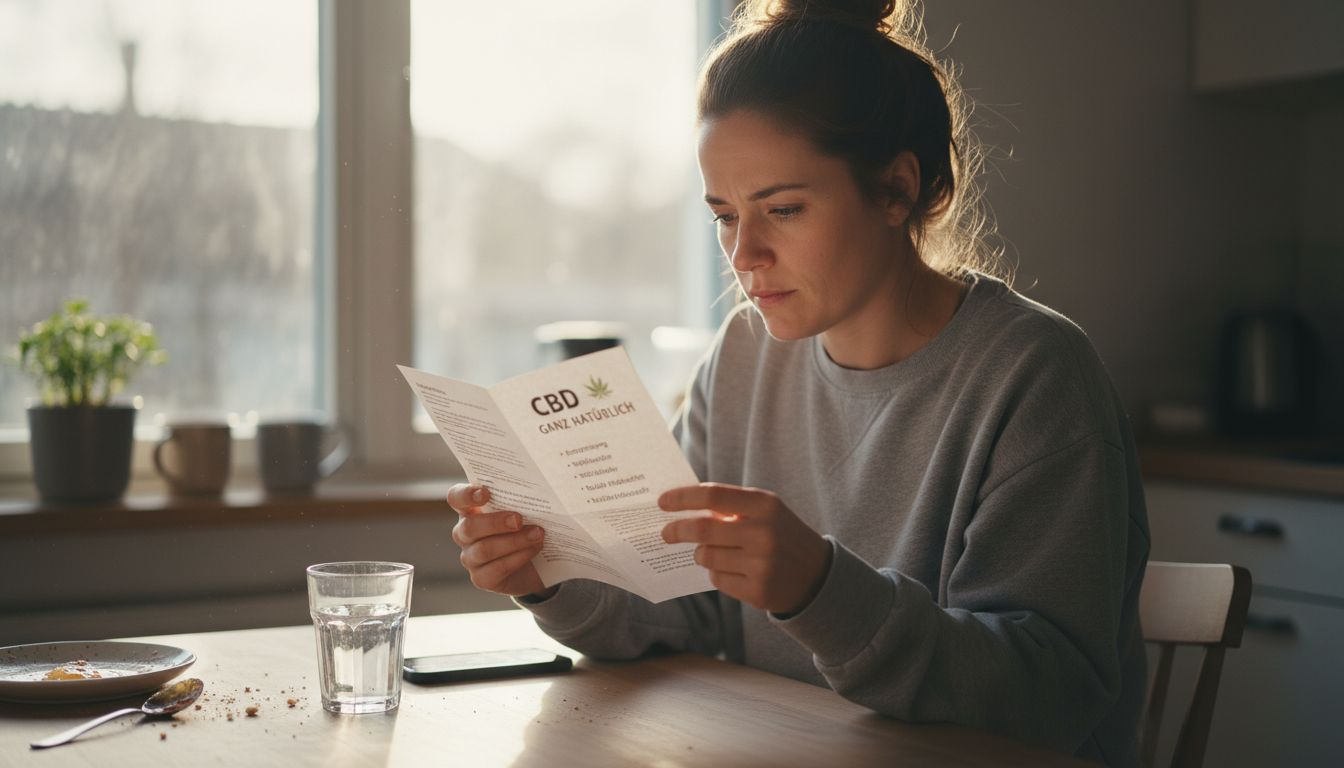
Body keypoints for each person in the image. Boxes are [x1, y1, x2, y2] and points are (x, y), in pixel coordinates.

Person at [448, 1, 1150, 764]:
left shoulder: (1033, 374)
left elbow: (1049, 696)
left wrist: (820, 590)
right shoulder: (745, 354)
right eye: (723, 215)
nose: (744, 253)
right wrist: (546, 576)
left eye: (782, 209)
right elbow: (687, 612)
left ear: (897, 189)